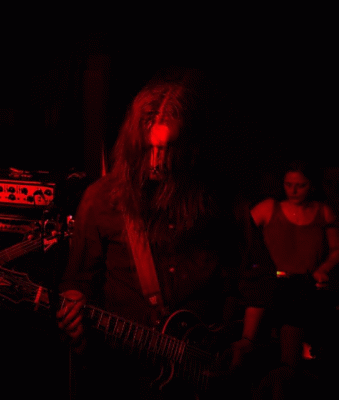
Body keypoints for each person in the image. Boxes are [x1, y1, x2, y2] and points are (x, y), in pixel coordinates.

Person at [55, 68, 252, 399]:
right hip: (124, 372)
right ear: (134, 144)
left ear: (189, 147)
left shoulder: (221, 198)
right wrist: (73, 307)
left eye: (169, 149)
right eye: (148, 149)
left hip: (207, 373)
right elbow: (79, 279)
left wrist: (246, 342)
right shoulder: (101, 198)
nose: (157, 161)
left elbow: (253, 274)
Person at [249, 158, 339, 399]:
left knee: (294, 354)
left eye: (300, 185)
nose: (293, 190)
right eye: (288, 184)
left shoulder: (323, 212)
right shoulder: (269, 208)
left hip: (304, 288)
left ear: (311, 185)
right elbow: (241, 234)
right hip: (272, 286)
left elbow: (336, 249)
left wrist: (324, 268)